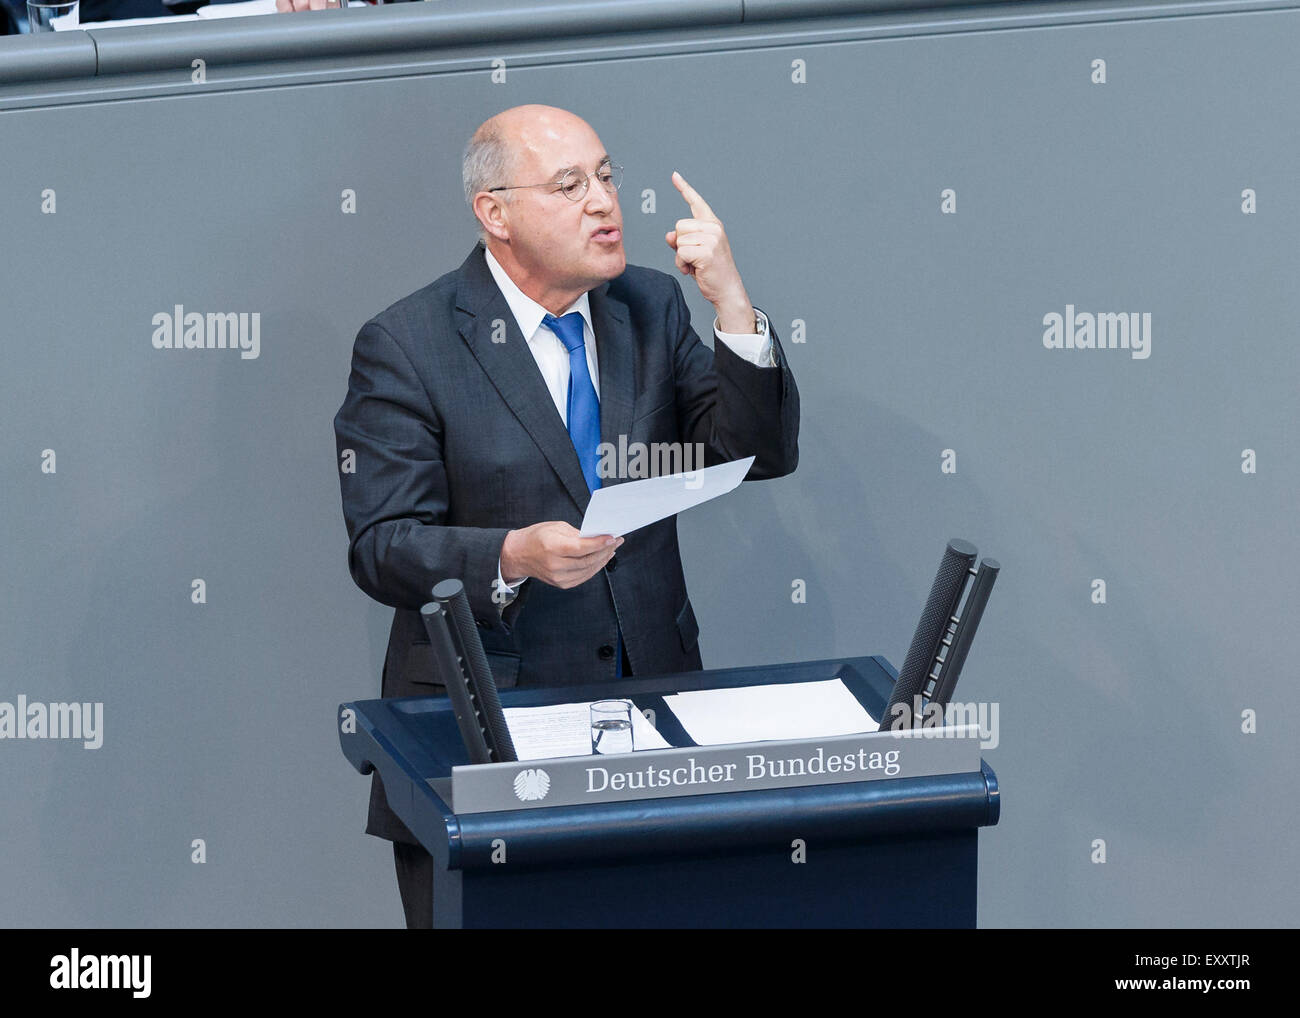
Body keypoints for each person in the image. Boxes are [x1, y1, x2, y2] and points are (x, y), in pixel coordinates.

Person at [333, 104, 800, 927]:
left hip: (653, 727)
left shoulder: (650, 309)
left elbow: (754, 452)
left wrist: (731, 302)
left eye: (608, 176)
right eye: (569, 184)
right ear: (496, 213)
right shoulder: (408, 344)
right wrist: (511, 555)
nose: (604, 202)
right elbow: (383, 545)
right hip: (486, 736)